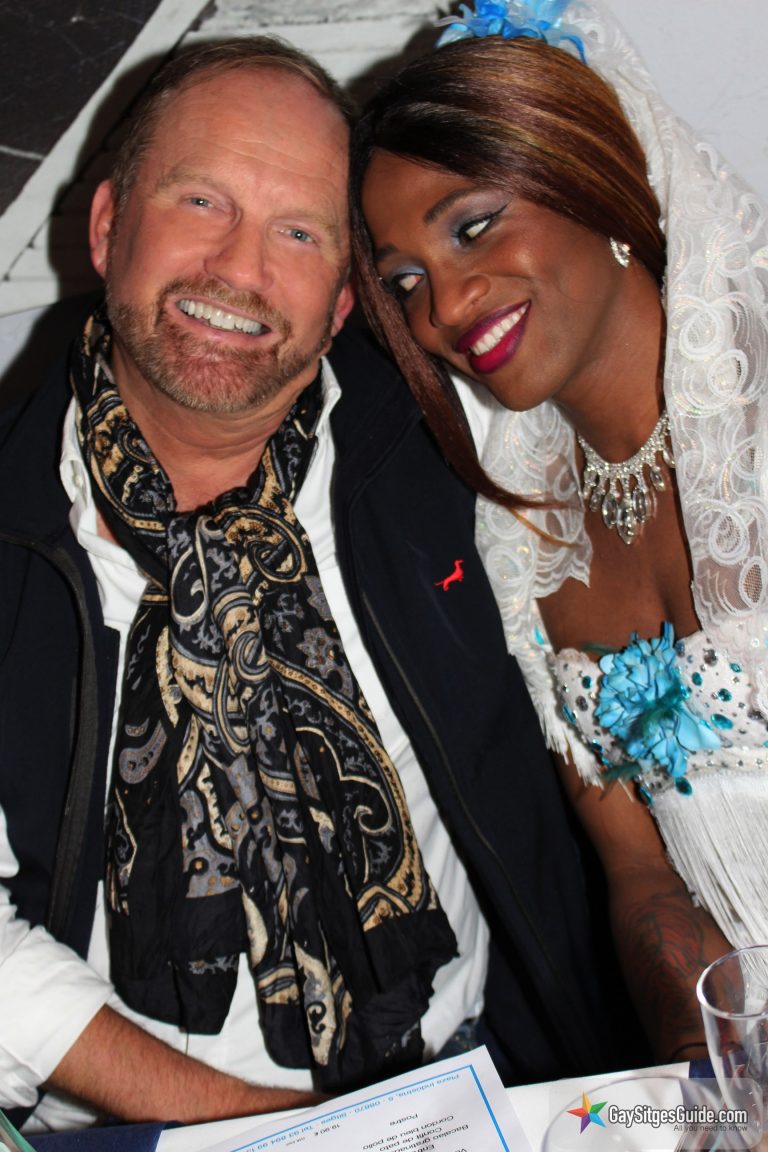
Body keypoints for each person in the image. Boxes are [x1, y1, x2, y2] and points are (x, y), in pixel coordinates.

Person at [0, 36, 620, 1136]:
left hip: (484, 1079)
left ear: (342, 301)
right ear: (106, 227)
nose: (240, 270)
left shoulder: (444, 436)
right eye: (202, 201)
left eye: (299, 233)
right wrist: (277, 1129)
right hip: (147, 1126)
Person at [350, 0, 768, 1067]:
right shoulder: (520, 541)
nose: (447, 305)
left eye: (472, 226)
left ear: (595, 176)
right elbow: (644, 879)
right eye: (404, 281)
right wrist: (715, 1073)